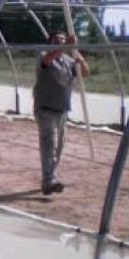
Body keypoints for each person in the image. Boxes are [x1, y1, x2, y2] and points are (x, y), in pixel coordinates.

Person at [33, 31, 90, 195]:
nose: (61, 43)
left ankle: (51, 177)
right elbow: (47, 61)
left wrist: (78, 55)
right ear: (49, 42)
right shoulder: (43, 55)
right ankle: (49, 180)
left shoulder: (68, 60)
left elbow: (85, 73)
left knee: (59, 146)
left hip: (62, 109)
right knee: (49, 144)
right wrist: (67, 46)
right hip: (45, 108)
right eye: (57, 40)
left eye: (63, 40)